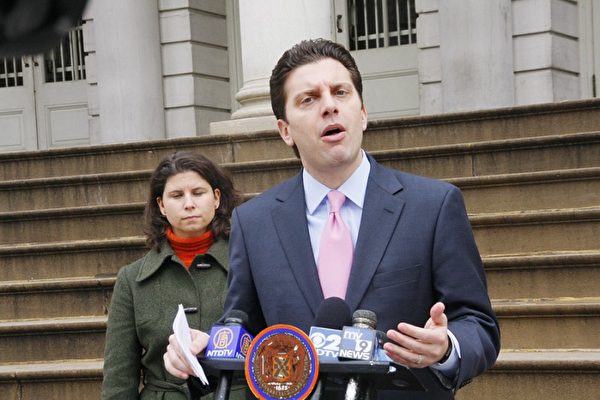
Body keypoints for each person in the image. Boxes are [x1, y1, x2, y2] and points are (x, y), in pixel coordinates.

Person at [164, 39, 500, 399]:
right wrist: (201, 354)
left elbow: (478, 325)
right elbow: (246, 336)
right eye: (308, 99)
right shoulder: (254, 222)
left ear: (362, 113)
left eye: (340, 92)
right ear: (285, 130)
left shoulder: (432, 206)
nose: (329, 106)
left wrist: (447, 348)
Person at [101, 151, 242, 399]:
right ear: (161, 205)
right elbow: (119, 378)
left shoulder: (247, 264)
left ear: (216, 198)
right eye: (177, 195)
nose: (189, 204)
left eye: (198, 193)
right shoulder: (132, 280)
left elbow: (273, 340)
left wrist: (217, 344)